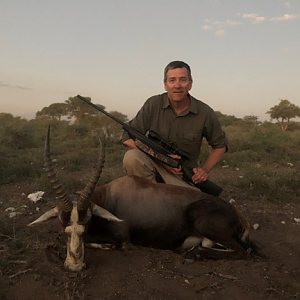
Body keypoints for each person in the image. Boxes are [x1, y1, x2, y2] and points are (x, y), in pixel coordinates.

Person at [122, 61, 227, 190]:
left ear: (190, 84)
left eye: (183, 80)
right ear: (165, 85)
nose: (177, 85)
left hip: (181, 174)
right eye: (172, 80)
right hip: (153, 165)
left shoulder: (205, 112)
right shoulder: (153, 104)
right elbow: (127, 136)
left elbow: (220, 145)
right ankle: (149, 195)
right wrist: (160, 158)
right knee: (132, 157)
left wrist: (204, 170)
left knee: (193, 203)